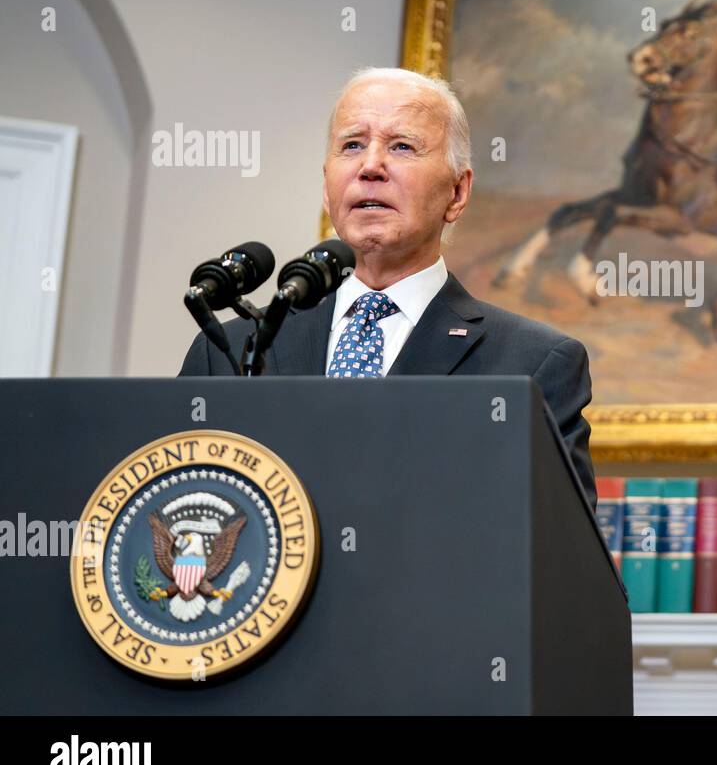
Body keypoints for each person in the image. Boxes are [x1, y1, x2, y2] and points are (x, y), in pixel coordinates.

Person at [179, 67, 597, 508]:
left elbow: (559, 559)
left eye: (401, 146)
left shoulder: (532, 365)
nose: (370, 166)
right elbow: (176, 509)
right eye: (352, 145)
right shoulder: (227, 350)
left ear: (457, 193)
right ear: (327, 187)